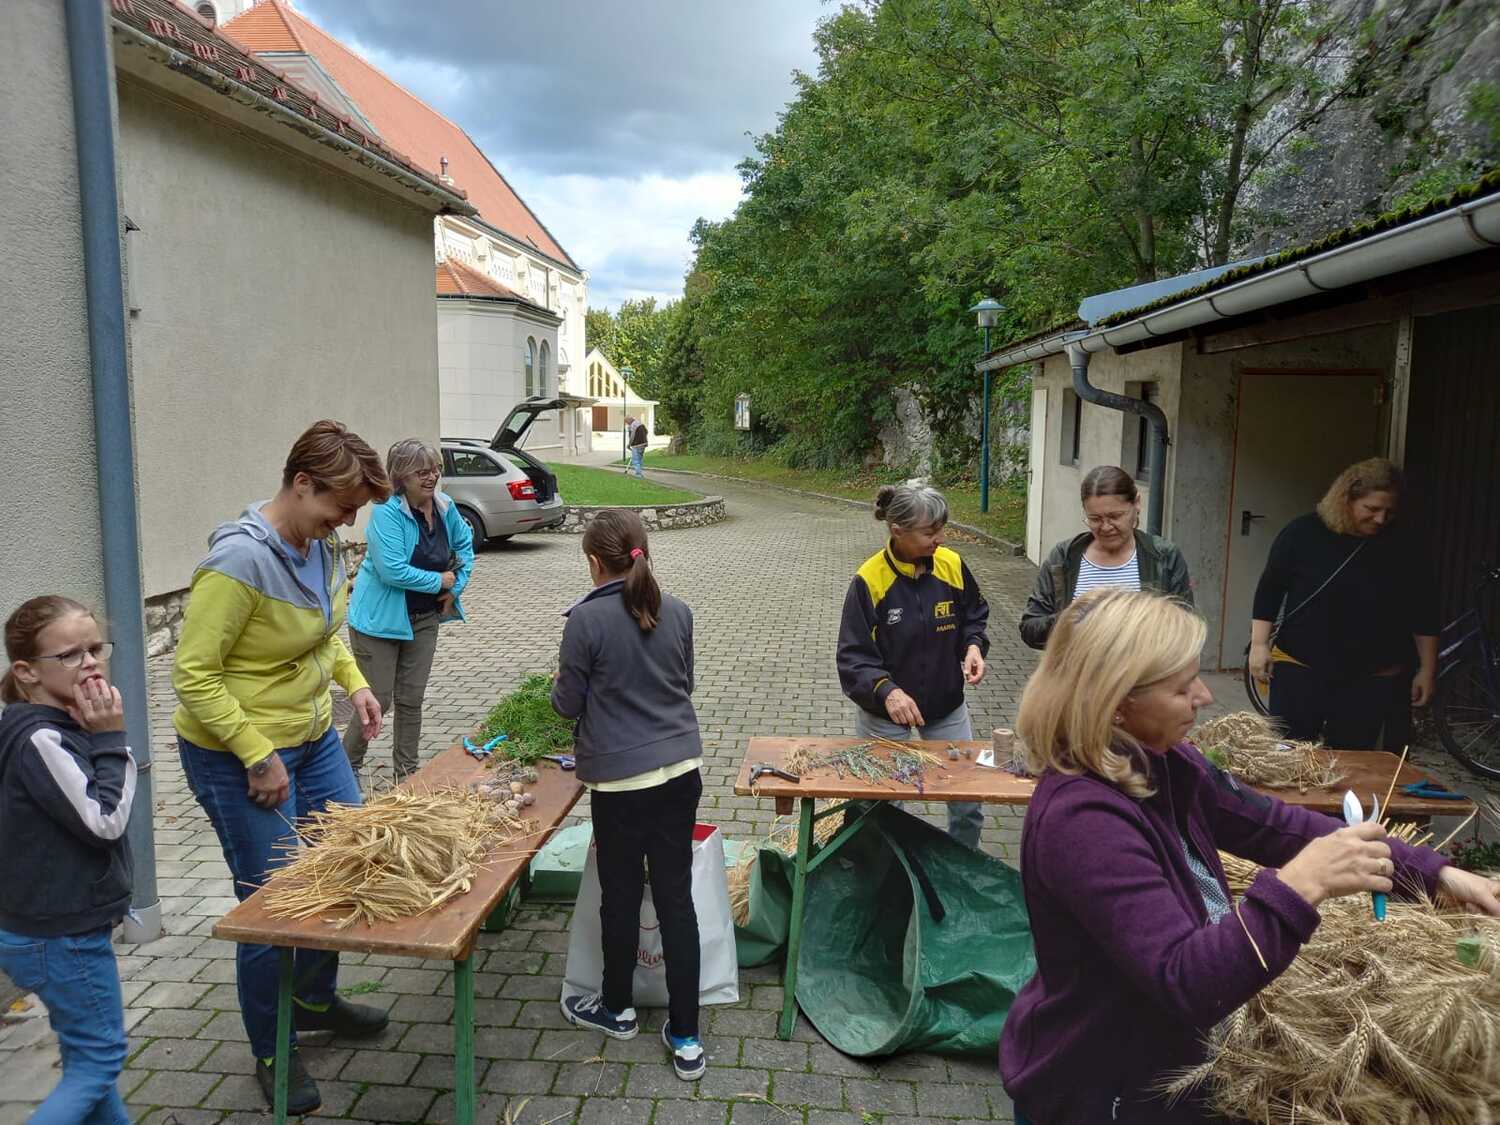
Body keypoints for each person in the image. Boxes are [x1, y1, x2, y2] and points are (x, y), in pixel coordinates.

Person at [999, 588, 1500, 1124]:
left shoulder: (1167, 764)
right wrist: (1300, 886)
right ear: (1116, 702)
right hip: (1101, 1091)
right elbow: (1185, 980)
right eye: (1181, 687)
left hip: (1161, 1066)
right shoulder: (1084, 821)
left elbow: (1277, 826)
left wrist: (1438, 875)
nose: (1204, 696)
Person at [172, 420, 392, 1115]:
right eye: (341, 506)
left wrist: (355, 682)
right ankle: (273, 1046)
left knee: (344, 859)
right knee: (275, 900)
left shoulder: (320, 546)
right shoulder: (238, 562)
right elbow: (193, 675)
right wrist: (256, 752)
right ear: (301, 484)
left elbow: (325, 634)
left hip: (313, 738)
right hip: (235, 752)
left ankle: (315, 998)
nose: (347, 522)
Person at [551, 509, 707, 1081]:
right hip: (681, 772)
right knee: (675, 900)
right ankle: (686, 1037)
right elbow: (684, 684)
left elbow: (566, 704)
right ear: (643, 553)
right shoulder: (679, 610)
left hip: (619, 785)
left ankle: (617, 1009)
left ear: (595, 562)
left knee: (618, 897)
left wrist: (564, 686)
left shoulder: (584, 621)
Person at [0, 596, 136, 1125]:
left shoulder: (44, 725)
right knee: (99, 1060)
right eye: (71, 655)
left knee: (86, 1058)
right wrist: (111, 739)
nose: (91, 663)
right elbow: (105, 823)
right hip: (61, 937)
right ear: (26, 672)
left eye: (95, 649)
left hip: (48, 931)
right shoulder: (42, 737)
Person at [838, 484, 990, 849]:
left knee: (968, 803)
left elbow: (974, 613)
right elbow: (853, 656)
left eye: (942, 528)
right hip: (886, 713)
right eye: (929, 532)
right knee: (883, 807)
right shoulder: (869, 580)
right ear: (898, 531)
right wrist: (888, 692)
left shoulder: (952, 565)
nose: (940, 539)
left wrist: (973, 645)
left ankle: (961, 869)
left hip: (946, 705)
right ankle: (887, 874)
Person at [1248, 457, 1438, 750]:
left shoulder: (1404, 543)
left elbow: (1423, 608)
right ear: (1346, 498)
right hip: (1301, 666)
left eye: (1389, 511)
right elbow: (1270, 589)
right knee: (1289, 755)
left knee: (1353, 760)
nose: (1380, 519)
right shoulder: (1302, 533)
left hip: (1371, 677)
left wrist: (1427, 668)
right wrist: (1259, 645)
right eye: (1371, 509)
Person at [343, 438, 474, 784]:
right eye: (422, 472)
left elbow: (465, 549)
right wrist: (440, 581)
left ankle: (407, 774)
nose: (431, 477)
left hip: (425, 618)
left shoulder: (445, 508)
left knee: (411, 699)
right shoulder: (386, 512)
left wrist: (455, 588)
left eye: (435, 470)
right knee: (377, 700)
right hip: (379, 622)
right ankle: (345, 769)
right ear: (401, 476)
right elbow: (392, 570)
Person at [1019, 465, 1192, 649]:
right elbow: (1030, 628)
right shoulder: (1063, 557)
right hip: (1075, 668)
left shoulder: (1164, 557)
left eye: (1115, 516)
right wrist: (1070, 619)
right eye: (1095, 519)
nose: (1106, 527)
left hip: (1146, 668)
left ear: (1137, 503)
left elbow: (1186, 631)